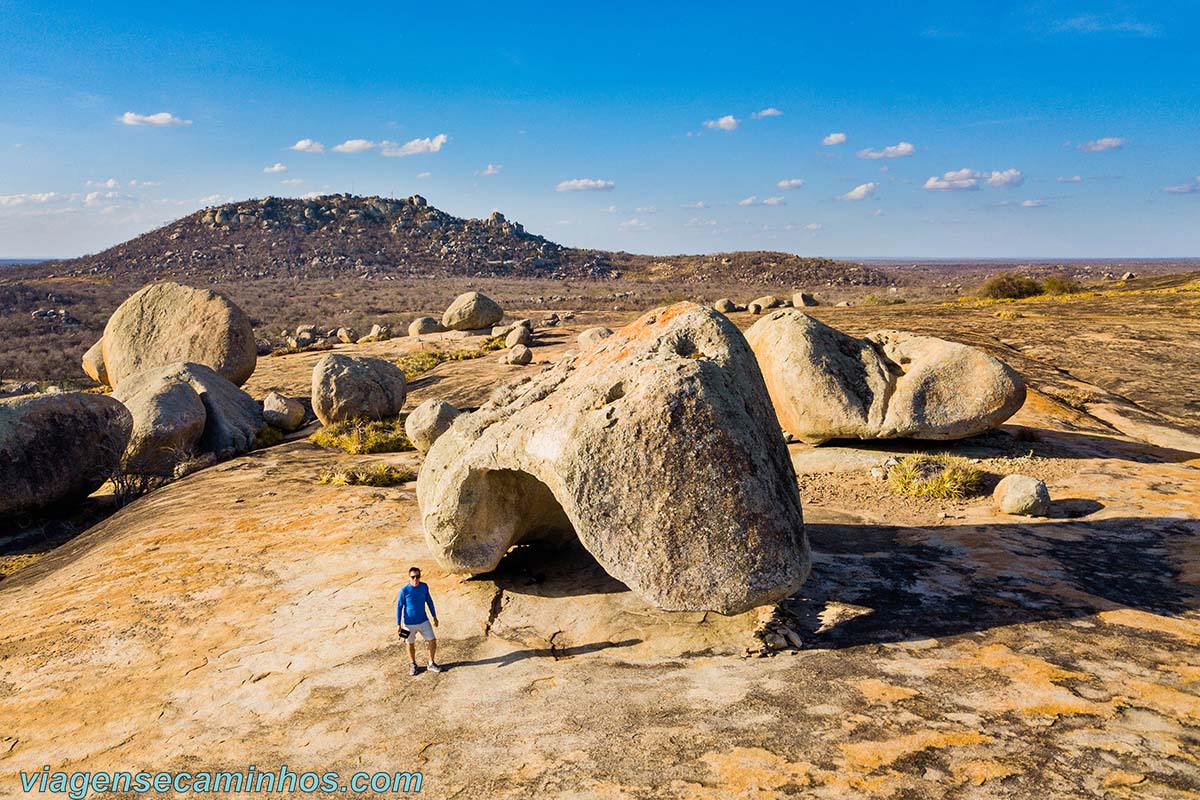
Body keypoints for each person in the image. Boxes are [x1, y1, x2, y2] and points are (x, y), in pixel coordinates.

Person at [397, 566, 441, 675]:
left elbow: (429, 601)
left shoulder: (424, 586)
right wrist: (398, 624)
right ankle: (413, 664)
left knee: (432, 640)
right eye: (413, 577)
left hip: (423, 620)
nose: (415, 579)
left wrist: (434, 616)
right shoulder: (404, 590)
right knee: (409, 643)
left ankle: (431, 663)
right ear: (409, 577)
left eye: (417, 576)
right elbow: (399, 607)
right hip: (408, 623)